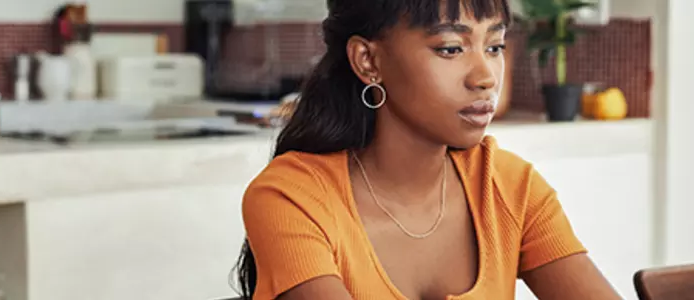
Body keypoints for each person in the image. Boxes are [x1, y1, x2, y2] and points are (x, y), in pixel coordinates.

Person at [233, 0, 623, 299]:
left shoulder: (509, 186)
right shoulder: (292, 197)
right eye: (451, 49)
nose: (486, 77)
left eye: (495, 46)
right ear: (368, 60)